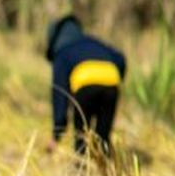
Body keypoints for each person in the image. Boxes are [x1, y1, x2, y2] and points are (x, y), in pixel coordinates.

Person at [45, 14, 126, 156]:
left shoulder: (63, 53)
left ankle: (81, 170)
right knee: (103, 136)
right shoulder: (93, 42)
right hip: (111, 83)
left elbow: (60, 94)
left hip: (85, 89)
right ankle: (107, 170)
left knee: (81, 135)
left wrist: (57, 134)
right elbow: (120, 59)